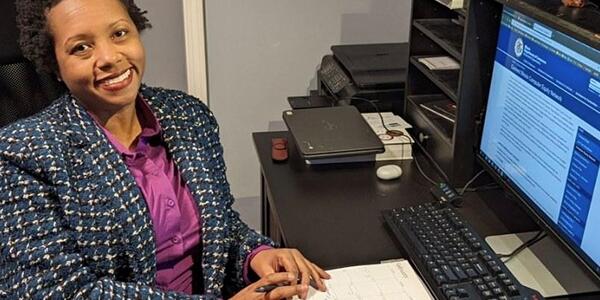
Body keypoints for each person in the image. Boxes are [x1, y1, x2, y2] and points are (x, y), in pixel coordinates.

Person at [0, 0, 330, 298]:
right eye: (82, 48)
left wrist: (257, 254)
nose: (110, 58)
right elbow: (57, 291)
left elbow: (221, 227)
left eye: (119, 33)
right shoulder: (23, 153)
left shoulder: (188, 115)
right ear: (54, 65)